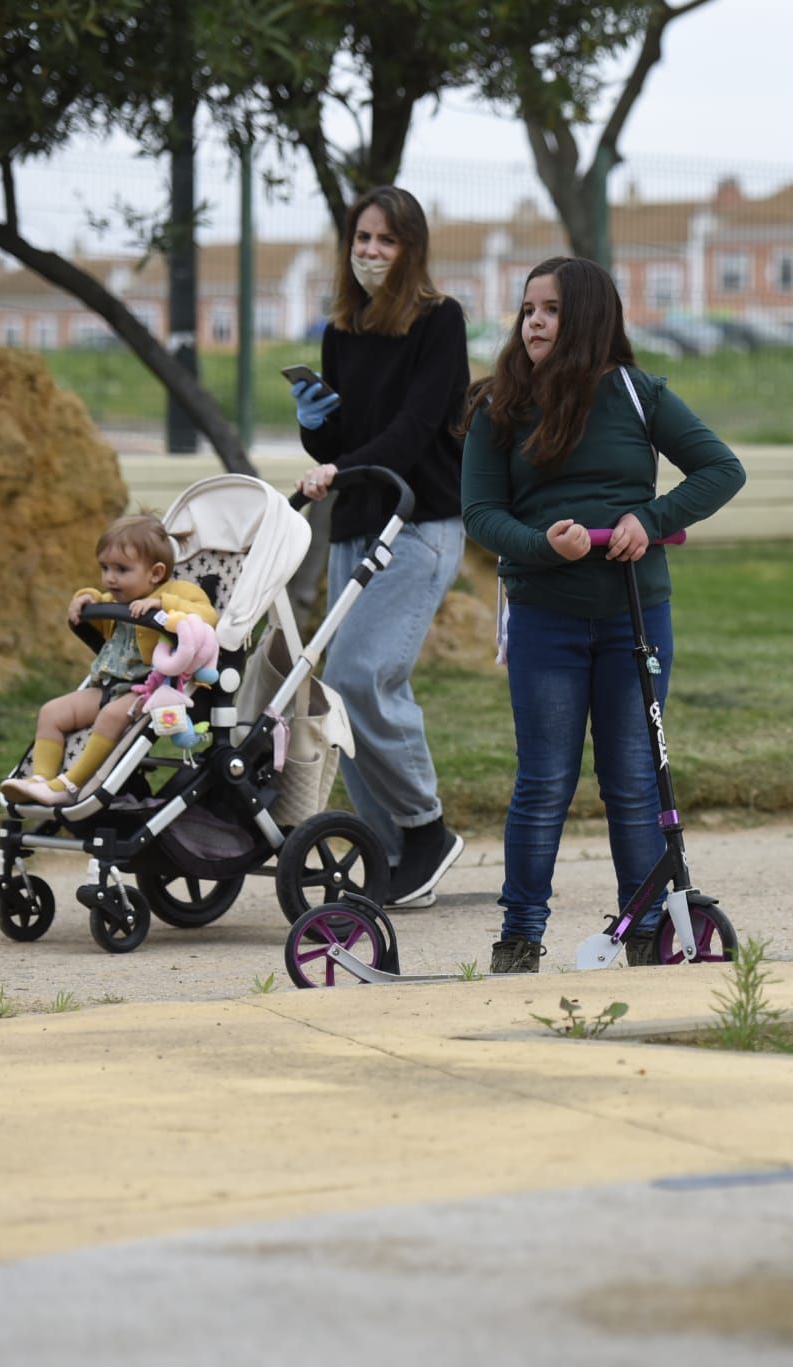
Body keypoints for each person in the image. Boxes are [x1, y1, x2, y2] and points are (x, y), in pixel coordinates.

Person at [461, 257, 745, 974]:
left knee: (632, 779)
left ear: (586, 318)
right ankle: (520, 932)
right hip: (544, 618)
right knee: (545, 780)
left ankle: (645, 927)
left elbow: (721, 470)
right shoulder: (500, 405)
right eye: (528, 309)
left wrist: (650, 519)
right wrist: (540, 547)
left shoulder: (639, 394)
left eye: (551, 309)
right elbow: (480, 512)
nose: (533, 321)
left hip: (633, 616)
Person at [292, 185, 469, 909]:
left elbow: (415, 427)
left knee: (367, 676)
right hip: (360, 522)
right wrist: (315, 429)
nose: (370, 252)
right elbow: (340, 437)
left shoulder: (440, 322)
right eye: (361, 239)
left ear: (411, 250)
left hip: (419, 522)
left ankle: (424, 829)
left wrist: (346, 464)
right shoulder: (343, 328)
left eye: (385, 241)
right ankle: (390, 850)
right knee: (339, 690)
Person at [0, 514, 219, 807]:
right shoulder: (118, 600)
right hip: (107, 686)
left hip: (146, 690)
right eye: (104, 568)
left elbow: (208, 615)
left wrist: (162, 605)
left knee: (111, 717)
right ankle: (39, 779)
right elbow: (98, 603)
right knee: (51, 712)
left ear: (155, 573)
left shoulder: (176, 592)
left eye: (121, 569)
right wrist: (85, 598)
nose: (110, 577)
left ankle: (69, 784)